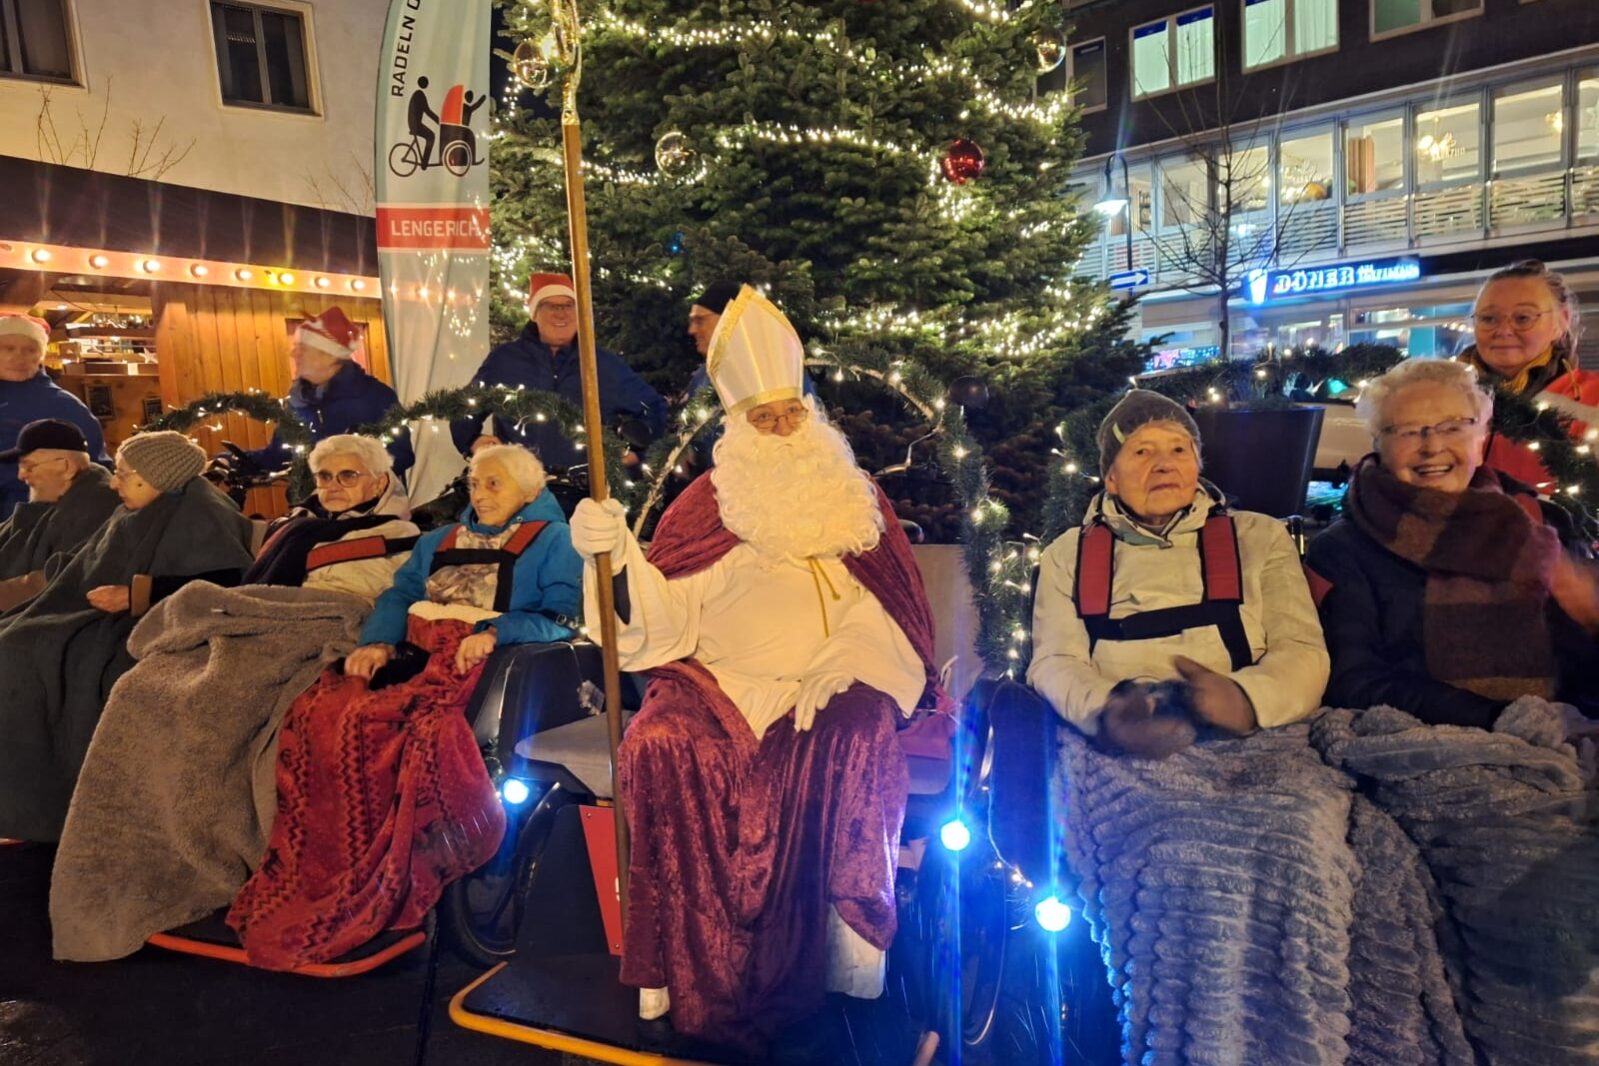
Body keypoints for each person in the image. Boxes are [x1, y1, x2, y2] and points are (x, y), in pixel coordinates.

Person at [569, 286, 941, 1053]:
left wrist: (849, 665)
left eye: (791, 415)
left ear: (813, 419)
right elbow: (657, 626)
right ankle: (679, 968)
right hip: (718, 684)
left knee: (857, 734)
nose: (779, 431)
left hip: (832, 686)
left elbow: (894, 616)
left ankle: (840, 961)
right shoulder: (707, 506)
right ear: (736, 426)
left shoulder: (855, 501)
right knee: (658, 742)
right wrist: (611, 558)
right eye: (762, 419)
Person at [50, 433, 421, 963]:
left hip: (317, 624)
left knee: (214, 699)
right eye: (325, 476)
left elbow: (387, 598)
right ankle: (144, 844)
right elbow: (248, 586)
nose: (334, 487)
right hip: (257, 617)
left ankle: (209, 844)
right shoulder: (300, 526)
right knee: (144, 686)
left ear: (379, 480)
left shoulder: (399, 534)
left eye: (348, 476)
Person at [225, 444, 582, 969]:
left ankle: (392, 872)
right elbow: (399, 594)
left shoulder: (555, 541)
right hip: (415, 654)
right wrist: (378, 641)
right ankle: (326, 869)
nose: (480, 495)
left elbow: (565, 614)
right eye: (475, 484)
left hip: (486, 663)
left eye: (494, 485)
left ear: (531, 491)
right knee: (320, 713)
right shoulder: (441, 540)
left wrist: (498, 629)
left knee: (385, 728)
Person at [1027, 390, 1330, 758]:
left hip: (1255, 744)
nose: (1163, 464)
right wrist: (1108, 710)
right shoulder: (1067, 555)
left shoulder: (1258, 538)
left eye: (1179, 450)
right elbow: (1055, 661)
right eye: (1142, 452)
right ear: (1111, 478)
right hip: (1121, 750)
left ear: (1197, 465)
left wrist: (1246, 700)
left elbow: (1301, 650)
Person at [1306, 358, 1599, 727]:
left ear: (1483, 435)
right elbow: (1354, 681)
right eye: (1409, 431)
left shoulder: (1541, 524)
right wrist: (1502, 719)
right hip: (1435, 745)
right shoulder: (1342, 549)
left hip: (1572, 735)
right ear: (1379, 442)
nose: (1432, 446)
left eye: (1454, 426)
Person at [0, 431, 254, 842]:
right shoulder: (136, 506)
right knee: (13, 635)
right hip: (93, 611)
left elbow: (227, 579)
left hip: (144, 623)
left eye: (123, 474)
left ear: (156, 475)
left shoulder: (203, 511)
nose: (114, 483)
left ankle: (39, 811)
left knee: (19, 654)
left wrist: (138, 594)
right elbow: (85, 560)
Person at [451, 273, 666, 472]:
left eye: (569, 305)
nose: (561, 313)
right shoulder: (505, 361)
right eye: (550, 306)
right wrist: (474, 442)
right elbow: (463, 410)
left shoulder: (601, 364)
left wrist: (638, 452)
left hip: (587, 495)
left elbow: (653, 408)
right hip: (520, 492)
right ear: (534, 313)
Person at [1458, 260, 1599, 490]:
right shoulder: (1443, 398)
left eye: (1523, 318)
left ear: (1561, 321)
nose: (1503, 330)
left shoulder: (1594, 398)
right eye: (1488, 318)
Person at [231, 307, 414, 481]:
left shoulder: (376, 397)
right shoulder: (297, 403)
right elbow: (278, 456)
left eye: (302, 348)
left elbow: (401, 455)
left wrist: (349, 475)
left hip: (368, 510)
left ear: (330, 355)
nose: (294, 353)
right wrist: (234, 460)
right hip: (311, 509)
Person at [0, 420, 120, 607]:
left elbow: (67, 576)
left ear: (66, 467)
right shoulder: (55, 498)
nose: (21, 476)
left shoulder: (96, 505)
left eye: (29, 466)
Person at [0, 313, 107, 520]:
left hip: (36, 519)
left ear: (40, 356)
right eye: (8, 348)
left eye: (30, 350)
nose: (19, 357)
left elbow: (96, 468)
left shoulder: (64, 405)